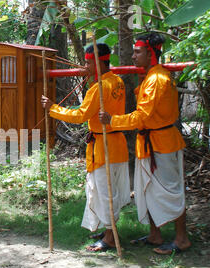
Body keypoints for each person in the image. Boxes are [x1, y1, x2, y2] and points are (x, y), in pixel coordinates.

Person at [99, 32, 191, 255]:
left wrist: (113, 121)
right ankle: (155, 235)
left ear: (151, 53)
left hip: (162, 143)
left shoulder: (157, 80)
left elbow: (142, 116)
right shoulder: (151, 77)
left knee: (171, 191)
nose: (133, 56)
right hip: (149, 141)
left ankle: (181, 239)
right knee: (147, 190)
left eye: (137, 52)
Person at [41, 43, 131, 252]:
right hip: (115, 143)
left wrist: (52, 108)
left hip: (104, 147)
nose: (85, 66)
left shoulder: (98, 88)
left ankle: (110, 237)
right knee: (109, 190)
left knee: (105, 192)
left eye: (89, 62)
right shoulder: (117, 81)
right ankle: (109, 229)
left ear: (100, 62)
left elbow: (80, 115)